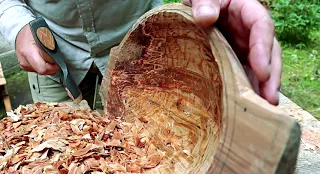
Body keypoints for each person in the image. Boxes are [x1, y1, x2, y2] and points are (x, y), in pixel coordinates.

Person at [0, 0, 281, 108]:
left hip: (141, 47)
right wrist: (14, 21)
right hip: (53, 52)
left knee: (148, 147)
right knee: (54, 154)